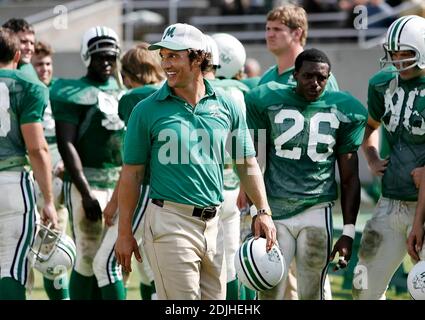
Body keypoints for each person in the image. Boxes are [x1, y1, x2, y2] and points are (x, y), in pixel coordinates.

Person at [115, 23, 276, 300]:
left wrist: (263, 211)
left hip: (214, 224)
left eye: (174, 56)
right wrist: (124, 232)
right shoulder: (146, 110)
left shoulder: (227, 104)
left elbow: (247, 163)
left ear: (198, 57)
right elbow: (132, 174)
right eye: (163, 56)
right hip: (170, 221)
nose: (166, 64)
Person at [246, 48, 367, 300]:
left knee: (312, 291)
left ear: (329, 77)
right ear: (295, 75)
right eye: (308, 76)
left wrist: (347, 231)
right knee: (269, 289)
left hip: (316, 207)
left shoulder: (346, 110)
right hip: (275, 209)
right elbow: (253, 160)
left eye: (321, 78)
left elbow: (349, 177)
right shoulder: (263, 100)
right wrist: (256, 208)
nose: (315, 83)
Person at [247, 4, 339, 299]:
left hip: (311, 200)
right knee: (271, 279)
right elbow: (256, 142)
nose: (269, 35)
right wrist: (250, 185)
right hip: (274, 199)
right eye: (267, 28)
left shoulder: (318, 76)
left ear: (297, 33)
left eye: (277, 29)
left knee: (314, 286)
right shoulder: (266, 80)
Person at [352, 15, 425, 300]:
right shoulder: (382, 84)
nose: (397, 60)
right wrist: (370, 155)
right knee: (363, 286)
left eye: (405, 53)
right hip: (392, 200)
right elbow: (370, 127)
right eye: (393, 54)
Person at [51, 26, 125, 300]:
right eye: (99, 57)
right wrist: (85, 193)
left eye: (110, 57)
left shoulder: (125, 90)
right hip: (88, 184)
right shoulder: (71, 91)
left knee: (111, 261)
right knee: (88, 254)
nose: (106, 63)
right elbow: (65, 143)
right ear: (86, 57)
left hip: (120, 182)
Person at [94, 42, 165, 300]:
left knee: (105, 264)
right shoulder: (171, 92)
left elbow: (133, 162)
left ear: (126, 75)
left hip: (147, 187)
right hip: (175, 188)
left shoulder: (133, 98)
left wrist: (114, 202)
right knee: (152, 269)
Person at [0, 27, 58, 300]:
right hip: (12, 184)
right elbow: (36, 148)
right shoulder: (29, 86)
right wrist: (48, 199)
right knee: (11, 267)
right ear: (16, 54)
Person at [31, 40, 70, 300]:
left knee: (55, 249)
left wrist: (67, 160)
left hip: (58, 179)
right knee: (26, 253)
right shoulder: (22, 91)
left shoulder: (61, 93)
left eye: (47, 64)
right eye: (38, 64)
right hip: (29, 179)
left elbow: (74, 136)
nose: (44, 69)